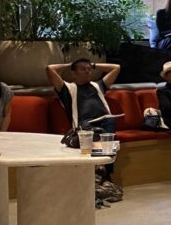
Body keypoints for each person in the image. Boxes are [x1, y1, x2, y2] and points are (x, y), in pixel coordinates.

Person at [46, 58, 122, 205]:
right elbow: (50, 69)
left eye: (89, 69)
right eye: (83, 69)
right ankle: (101, 175)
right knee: (97, 135)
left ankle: (102, 174)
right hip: (85, 126)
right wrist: (70, 65)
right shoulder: (68, 89)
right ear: (73, 73)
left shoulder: (98, 86)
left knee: (108, 128)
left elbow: (116, 68)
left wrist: (93, 65)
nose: (88, 71)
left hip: (105, 121)